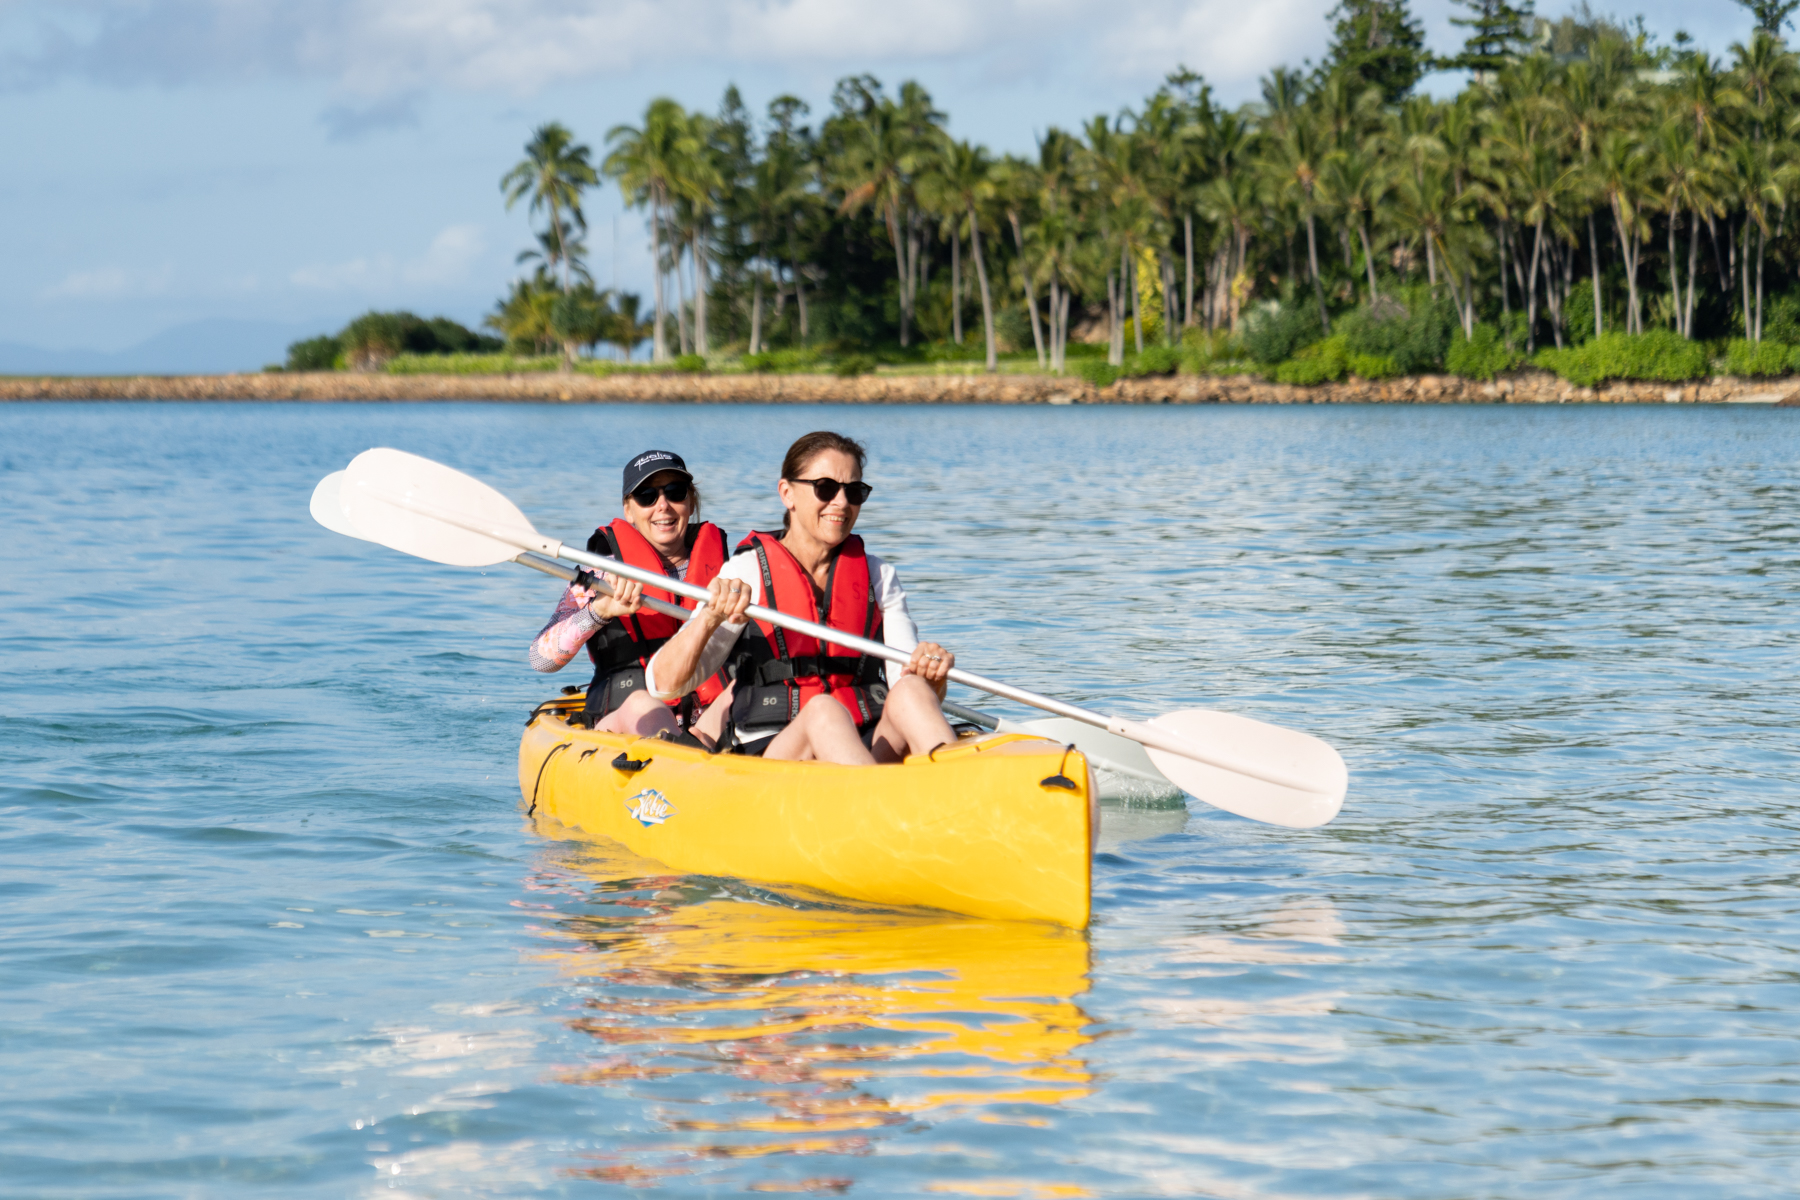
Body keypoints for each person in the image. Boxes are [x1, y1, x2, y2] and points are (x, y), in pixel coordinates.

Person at [644, 431, 958, 764]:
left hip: (863, 745)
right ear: (787, 493)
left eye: (854, 492)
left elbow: (909, 687)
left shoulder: (880, 578)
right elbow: (663, 685)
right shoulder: (746, 572)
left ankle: (965, 791)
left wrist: (931, 679)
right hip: (776, 757)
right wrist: (709, 617)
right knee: (822, 711)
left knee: (912, 690)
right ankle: (879, 805)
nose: (841, 502)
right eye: (825, 488)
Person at [529, 449, 733, 745]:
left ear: (690, 502)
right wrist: (601, 610)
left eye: (675, 492)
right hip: (627, 723)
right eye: (647, 496)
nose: (663, 506)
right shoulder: (600, 572)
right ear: (629, 510)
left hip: (706, 727)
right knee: (643, 704)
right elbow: (540, 659)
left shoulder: (729, 572)